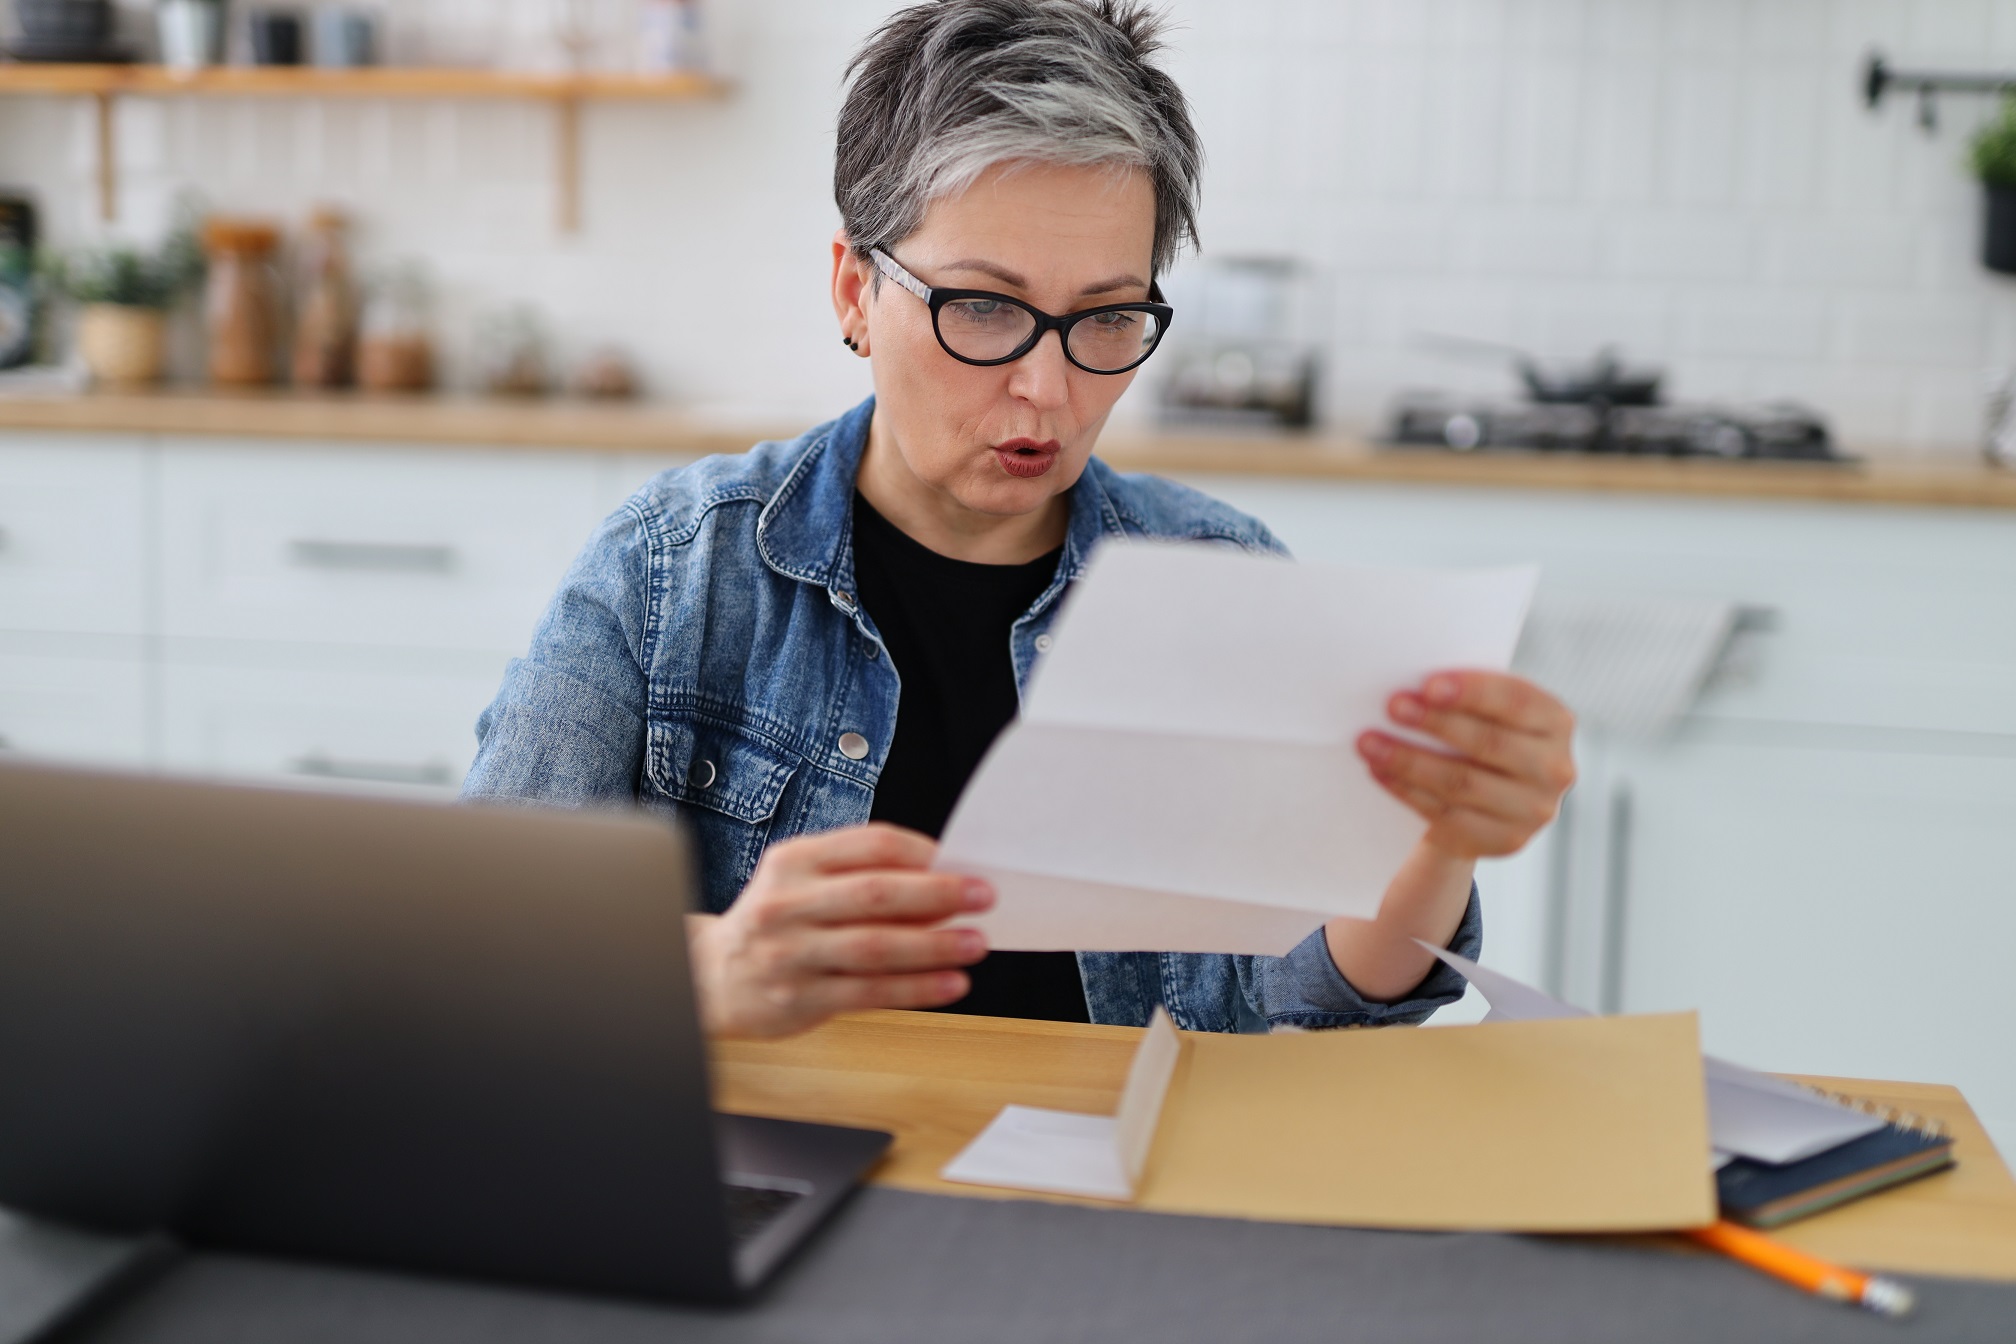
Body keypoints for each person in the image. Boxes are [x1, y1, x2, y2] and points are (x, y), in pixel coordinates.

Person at [463, 0, 1576, 1040]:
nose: (1048, 387)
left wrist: (1439, 840)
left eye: (1105, 318)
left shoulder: (1221, 580)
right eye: (984, 307)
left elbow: (1303, 998)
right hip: (773, 1190)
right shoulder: (675, 571)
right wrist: (709, 971)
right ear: (856, 291)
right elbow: (474, 950)